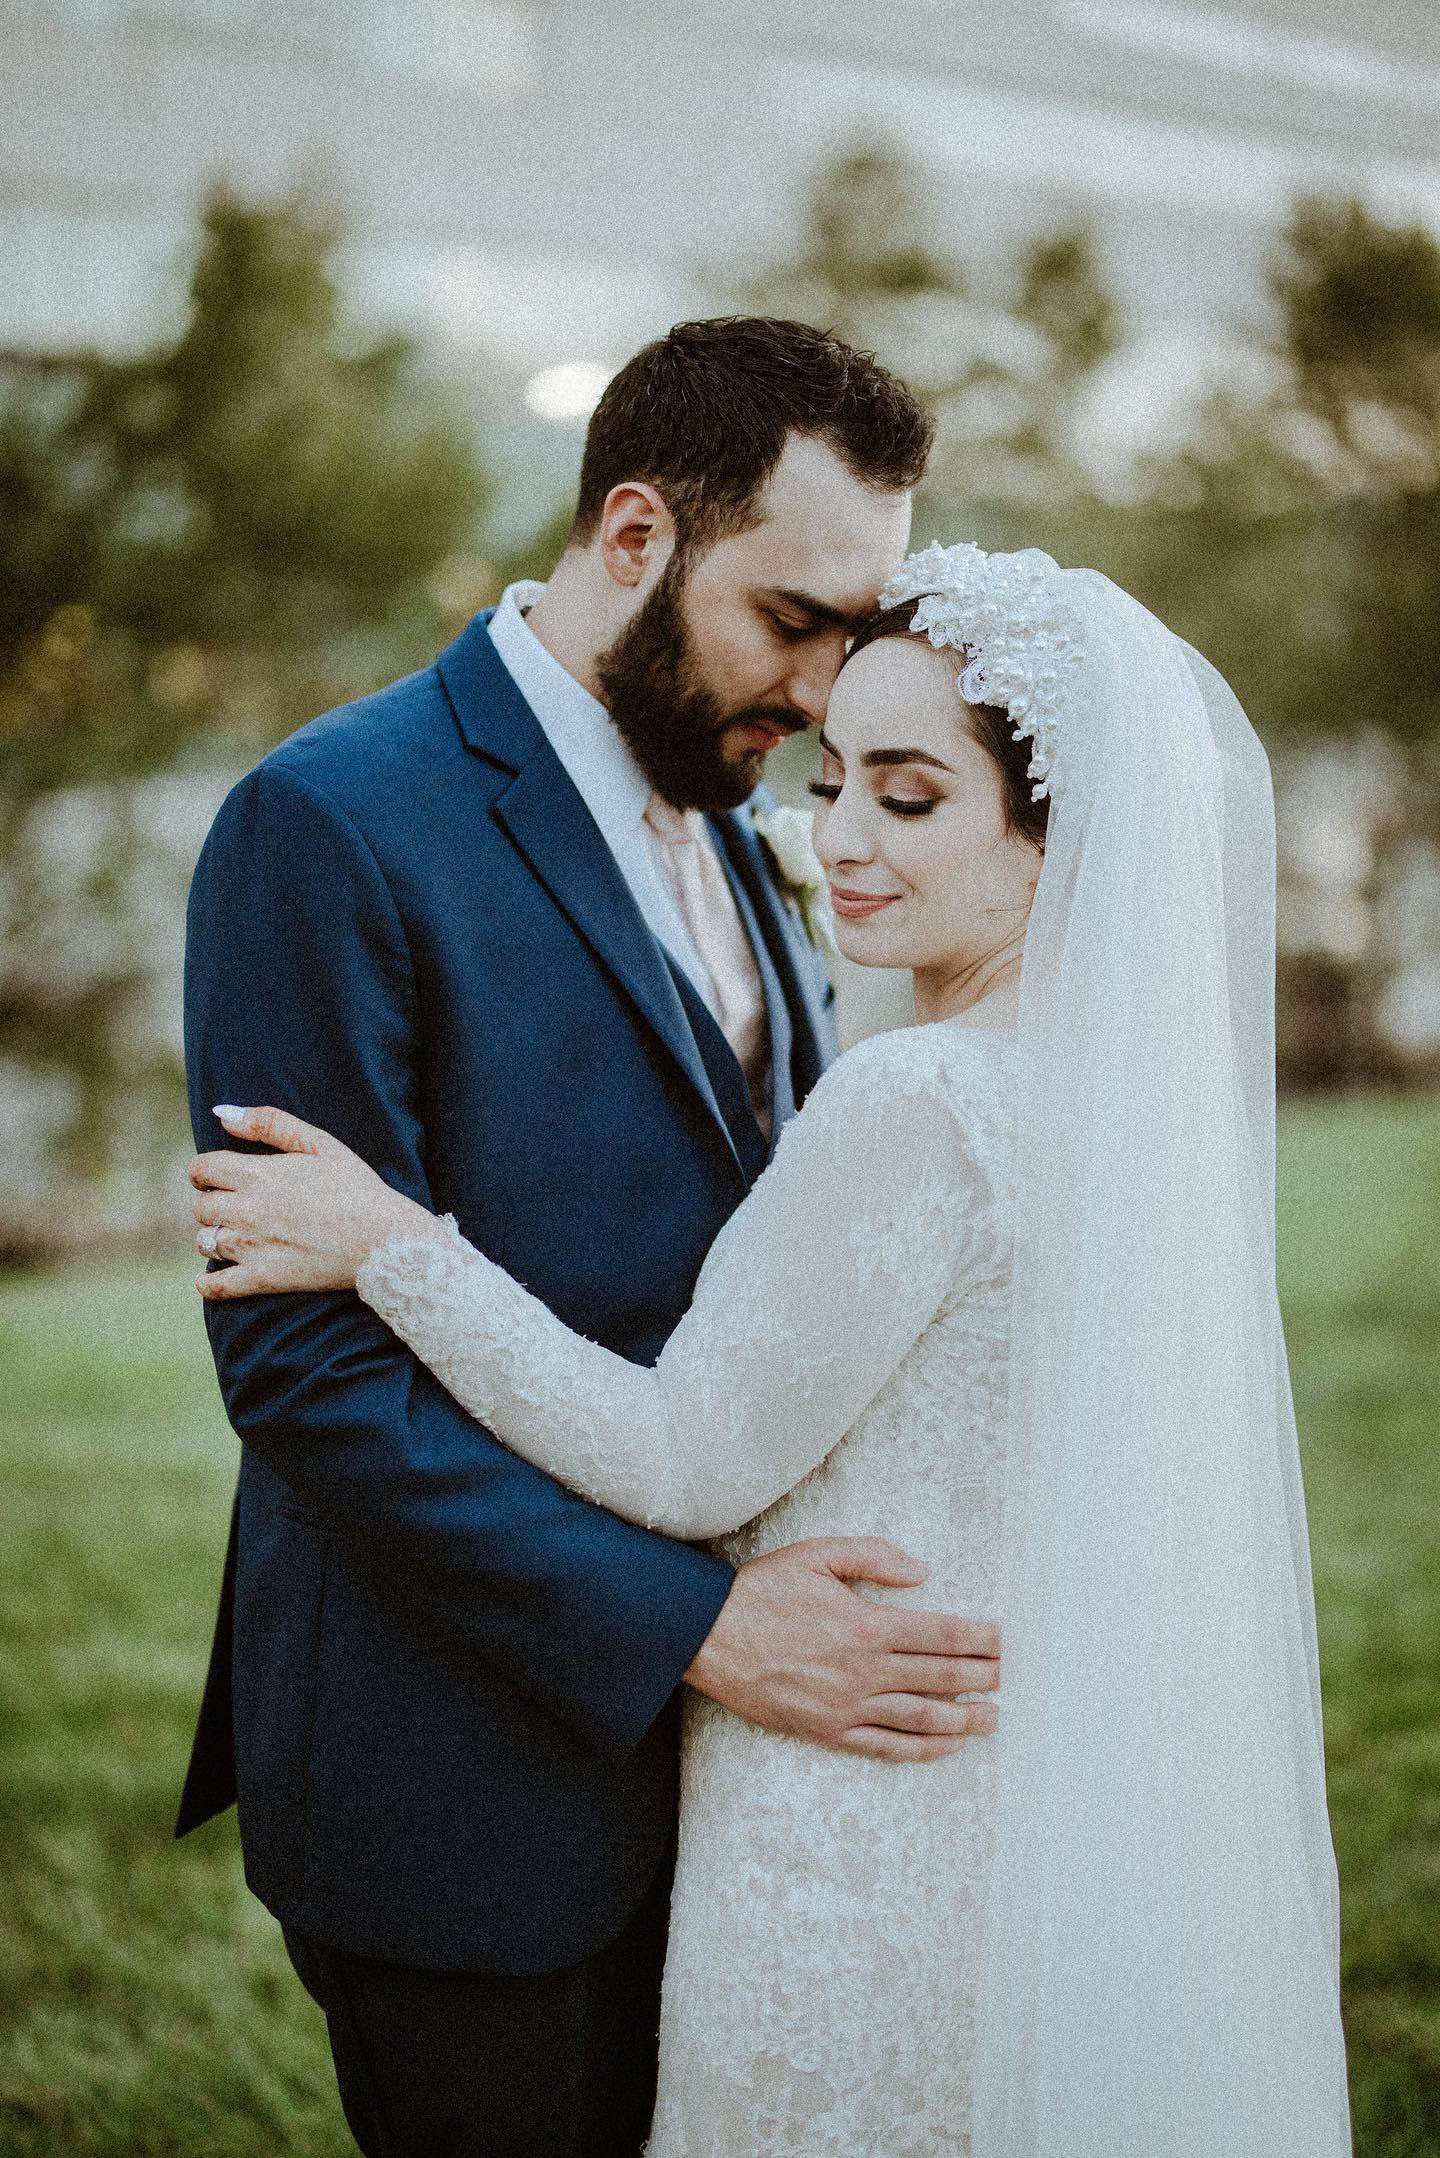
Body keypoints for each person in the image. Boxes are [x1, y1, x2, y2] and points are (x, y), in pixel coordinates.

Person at [191, 544, 1354, 2156]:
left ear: (1058, 840)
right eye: (834, 778)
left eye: (912, 795)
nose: (834, 836)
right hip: (1018, 1809)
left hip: (850, 1813)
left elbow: (682, 1455)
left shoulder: (922, 1097)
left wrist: (394, 1244)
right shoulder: (1133, 1105)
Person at [177, 318, 1004, 2158]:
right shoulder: (326, 821)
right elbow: (304, 1370)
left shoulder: (759, 820)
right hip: (461, 1771)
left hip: (752, 1796)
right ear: (634, 536)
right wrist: (703, 1628)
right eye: (790, 618)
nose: (819, 688)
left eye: (850, 638)